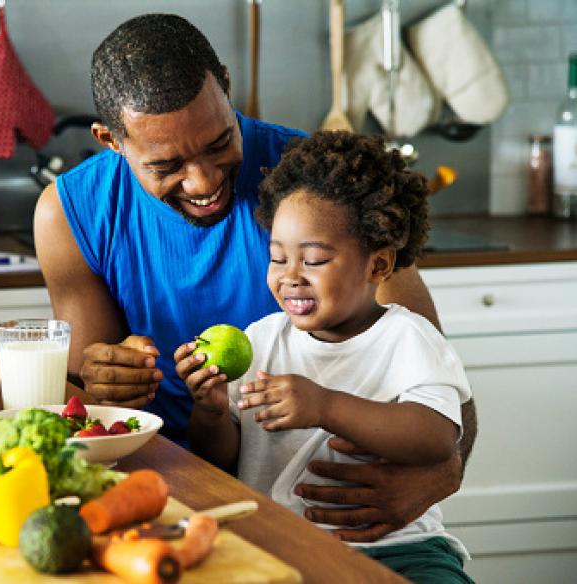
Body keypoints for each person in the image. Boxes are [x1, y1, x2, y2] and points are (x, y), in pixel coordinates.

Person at [34, 13, 478, 543]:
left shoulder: (315, 188)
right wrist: (102, 376)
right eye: (167, 164)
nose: (203, 181)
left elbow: (441, 384)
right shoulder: (70, 213)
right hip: (152, 492)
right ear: (111, 140)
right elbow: (88, 404)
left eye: (220, 142)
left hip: (327, 515)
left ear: (226, 83)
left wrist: (441, 475)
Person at [174, 131, 473, 582]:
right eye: (278, 259)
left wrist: (326, 406)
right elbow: (223, 459)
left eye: (312, 260)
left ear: (378, 266)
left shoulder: (407, 338)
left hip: (398, 548)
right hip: (279, 545)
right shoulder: (263, 339)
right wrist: (211, 412)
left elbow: (437, 438)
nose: (290, 278)